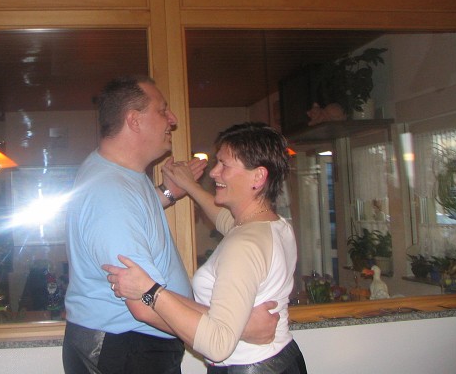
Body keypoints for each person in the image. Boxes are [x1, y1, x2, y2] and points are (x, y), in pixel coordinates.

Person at [63, 76, 278, 374]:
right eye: (163, 110)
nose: (173, 120)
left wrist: (169, 192)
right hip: (125, 348)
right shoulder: (111, 196)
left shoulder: (119, 175)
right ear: (134, 120)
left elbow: (135, 214)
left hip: (130, 344)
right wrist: (236, 327)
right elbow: (144, 301)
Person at [103, 122, 307, 373]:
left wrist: (150, 291)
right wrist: (189, 185)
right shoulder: (274, 226)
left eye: (224, 165)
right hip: (282, 359)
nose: (214, 172)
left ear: (258, 177)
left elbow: (217, 344)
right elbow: (225, 220)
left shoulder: (244, 244)